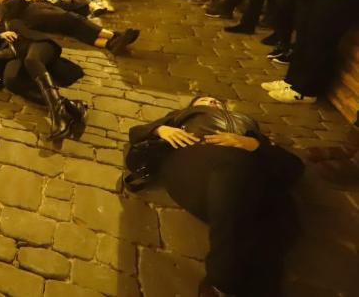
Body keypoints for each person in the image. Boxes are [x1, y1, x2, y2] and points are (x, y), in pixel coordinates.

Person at [126, 96, 303, 297]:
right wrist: (160, 129)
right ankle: (221, 282)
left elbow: (294, 168)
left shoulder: (249, 129)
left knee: (274, 214)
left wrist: (252, 144)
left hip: (239, 185)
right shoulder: (182, 117)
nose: (213, 102)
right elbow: (136, 133)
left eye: (217, 101)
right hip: (192, 164)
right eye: (205, 100)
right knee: (237, 166)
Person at [0, 20, 87, 140]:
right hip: (18, 58)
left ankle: (59, 114)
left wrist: (2, 32)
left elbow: (23, 24)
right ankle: (69, 106)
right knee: (10, 80)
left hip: (36, 44)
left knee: (31, 60)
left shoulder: (9, 23)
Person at [0, 0, 139, 55]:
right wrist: (24, 0)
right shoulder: (3, 7)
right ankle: (114, 36)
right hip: (38, 15)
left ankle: (110, 44)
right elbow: (8, 16)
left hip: (46, 10)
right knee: (75, 19)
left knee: (76, 30)